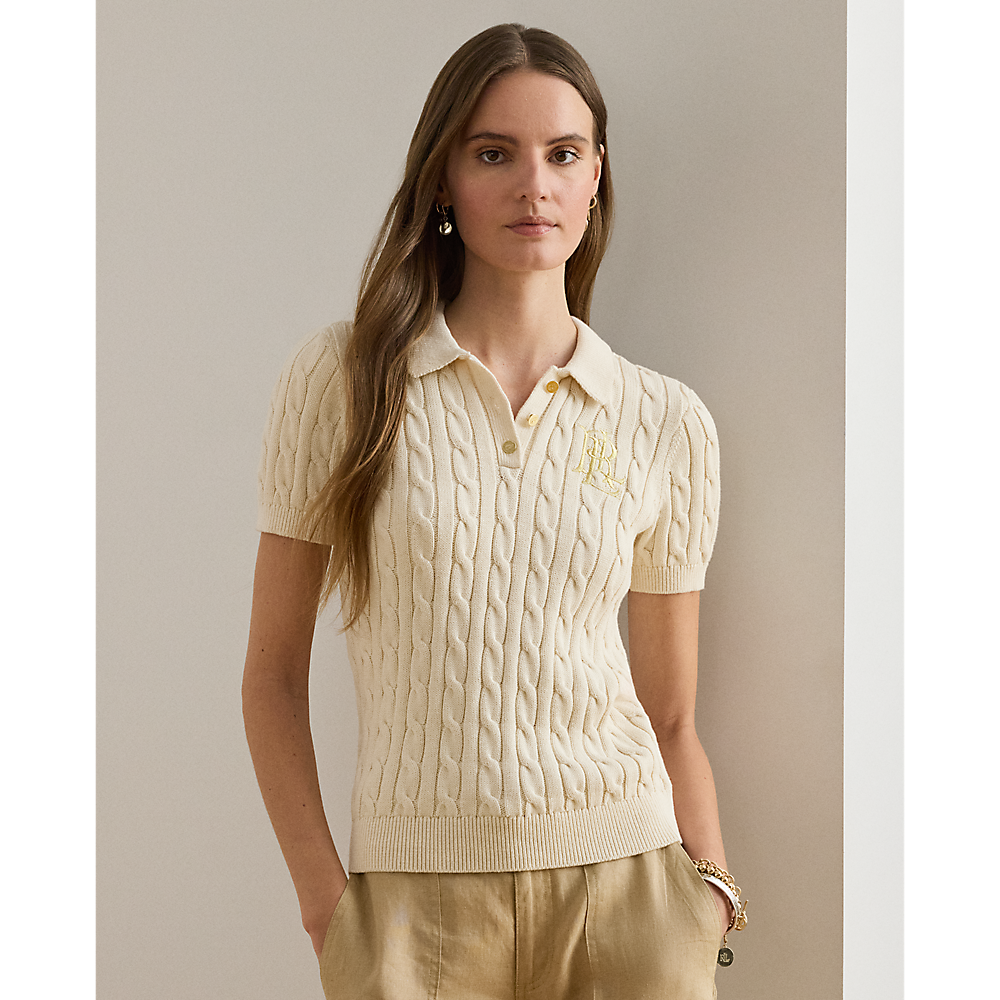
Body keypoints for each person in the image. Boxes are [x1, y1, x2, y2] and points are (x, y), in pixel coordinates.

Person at [243, 22, 745, 1000]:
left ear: (596, 174)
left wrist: (712, 891)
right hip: (411, 914)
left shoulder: (664, 420)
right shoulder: (344, 381)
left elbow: (672, 711)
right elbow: (271, 679)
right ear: (442, 180)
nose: (534, 186)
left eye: (563, 153)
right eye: (493, 154)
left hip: (632, 896)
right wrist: (325, 906)